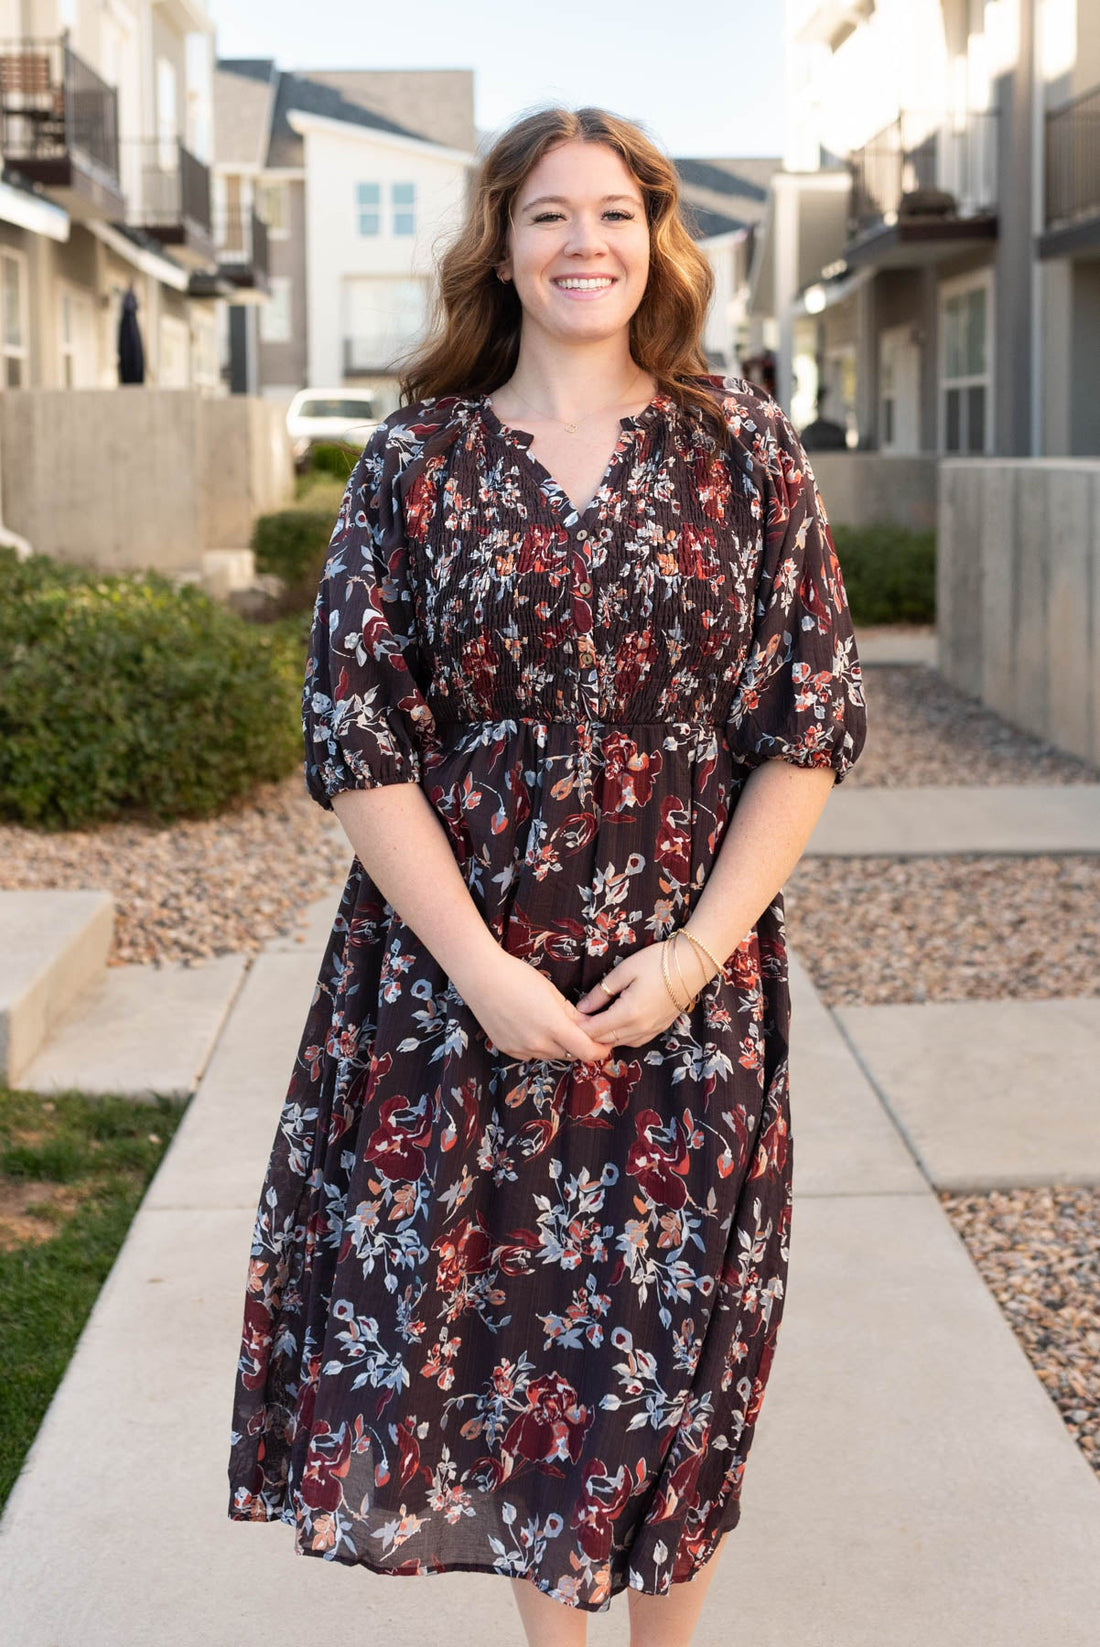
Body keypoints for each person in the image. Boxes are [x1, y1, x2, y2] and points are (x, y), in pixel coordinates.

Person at [226, 105, 868, 1647]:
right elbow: (360, 738)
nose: (587, 243)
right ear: (501, 250)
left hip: (685, 984)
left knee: (680, 1363)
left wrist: (696, 955)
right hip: (464, 988)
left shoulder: (742, 452)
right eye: (550, 215)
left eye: (616, 214)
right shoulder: (417, 460)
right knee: (519, 1355)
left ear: (657, 242)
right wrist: (481, 973)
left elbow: (808, 724)